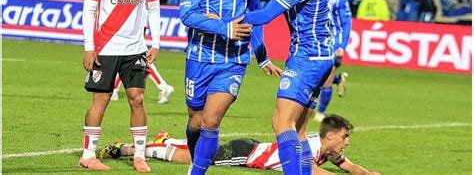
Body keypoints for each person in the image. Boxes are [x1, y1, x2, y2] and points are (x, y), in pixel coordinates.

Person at [179, 0, 282, 174]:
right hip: (199, 57)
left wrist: (263, 55)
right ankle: (196, 159)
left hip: (233, 61)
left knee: (211, 121)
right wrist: (225, 26)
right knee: (196, 121)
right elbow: (187, 15)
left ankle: (196, 172)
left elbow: (254, 18)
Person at [231, 0, 334, 174]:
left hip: (307, 58)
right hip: (321, 57)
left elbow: (265, 15)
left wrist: (225, 19)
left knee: (281, 122)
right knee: (298, 131)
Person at [80, 0, 162, 172]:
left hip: (135, 49)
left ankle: (139, 155)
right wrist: (88, 47)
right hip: (105, 48)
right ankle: (88, 155)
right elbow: (89, 10)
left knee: (137, 100)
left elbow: (153, 8)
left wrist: (156, 43)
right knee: (100, 100)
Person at [100, 114, 380, 175]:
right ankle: (139, 148)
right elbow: (315, 174)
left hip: (249, 146)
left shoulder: (326, 149)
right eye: (344, 136)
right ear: (329, 136)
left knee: (197, 154)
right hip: (243, 154)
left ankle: (165, 141)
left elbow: (351, 167)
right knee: (192, 160)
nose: (347, 142)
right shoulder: (307, 147)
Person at [314, 0, 352, 122]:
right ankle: (338, 80)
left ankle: (321, 113)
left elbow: (346, 23)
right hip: (315, 42)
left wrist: (341, 46)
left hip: (333, 43)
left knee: (326, 79)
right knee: (316, 78)